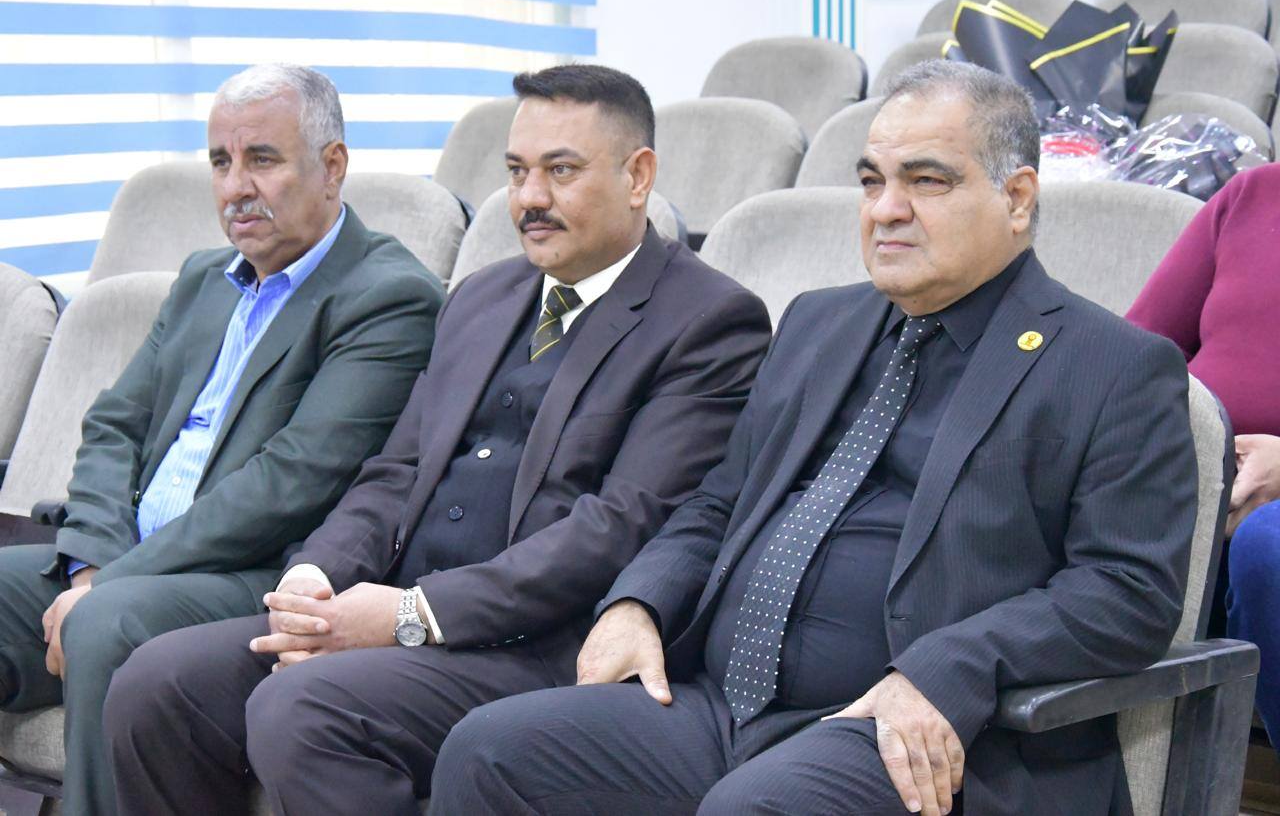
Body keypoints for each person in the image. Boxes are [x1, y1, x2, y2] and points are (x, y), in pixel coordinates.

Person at [428, 60, 1199, 816]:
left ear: (1017, 197)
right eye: (871, 181)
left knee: (753, 807)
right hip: (722, 707)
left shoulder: (1111, 365)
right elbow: (718, 502)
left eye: (926, 181)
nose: (886, 209)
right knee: (487, 749)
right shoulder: (817, 323)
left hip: (924, 730)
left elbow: (1128, 589)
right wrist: (640, 601)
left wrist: (949, 665)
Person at [103, 64, 772, 814]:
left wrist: (411, 614)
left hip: (539, 646)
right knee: (156, 684)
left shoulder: (709, 321)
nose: (530, 198)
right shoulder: (481, 297)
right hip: (394, 613)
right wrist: (316, 578)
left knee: (302, 707)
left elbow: (620, 526)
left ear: (638, 175)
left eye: (560, 171)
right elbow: (396, 471)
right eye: (516, 172)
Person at [0, 63, 442, 815]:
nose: (236, 186)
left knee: (105, 622)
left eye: (262, 159)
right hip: (127, 562)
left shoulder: (390, 297)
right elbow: (114, 426)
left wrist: (111, 585)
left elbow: (289, 483)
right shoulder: (206, 277)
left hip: (254, 574)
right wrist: (93, 565)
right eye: (220, 161)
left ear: (332, 166)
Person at [1127, 164, 1280, 747]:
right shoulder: (1254, 193)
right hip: (1188, 484)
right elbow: (1138, 353)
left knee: (1267, 544)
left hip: (1262, 523)